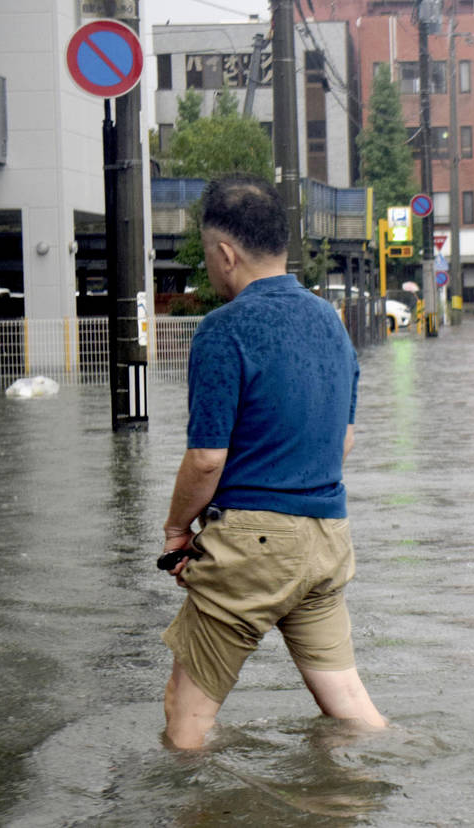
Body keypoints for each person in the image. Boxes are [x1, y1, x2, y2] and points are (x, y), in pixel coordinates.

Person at [158, 175, 386, 750]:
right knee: (352, 708)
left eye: (211, 257)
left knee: (185, 720)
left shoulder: (223, 330)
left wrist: (176, 530)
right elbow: (344, 443)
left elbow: (208, 459)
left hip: (252, 547)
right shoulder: (333, 326)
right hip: (327, 538)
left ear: (225, 253)